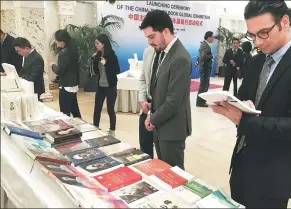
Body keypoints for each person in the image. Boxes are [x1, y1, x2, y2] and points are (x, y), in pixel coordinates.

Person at [209, 1, 291, 208]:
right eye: (252, 35)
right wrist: (231, 106)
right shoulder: (256, 62)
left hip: (273, 175)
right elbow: (245, 99)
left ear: (285, 22)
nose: (258, 42)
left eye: (263, 33)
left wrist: (243, 120)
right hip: (241, 164)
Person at [139, 10, 192, 170]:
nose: (149, 42)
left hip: (172, 130)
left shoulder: (180, 58)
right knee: (163, 171)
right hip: (160, 126)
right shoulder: (162, 53)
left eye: (151, 36)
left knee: (174, 175)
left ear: (166, 31)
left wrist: (152, 119)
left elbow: (173, 101)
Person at [92, 34, 120, 136]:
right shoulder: (98, 55)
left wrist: (106, 64)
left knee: (110, 109)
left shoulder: (112, 55)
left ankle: (112, 130)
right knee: (97, 108)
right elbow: (95, 72)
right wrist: (94, 61)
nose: (96, 45)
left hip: (110, 86)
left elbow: (117, 70)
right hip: (100, 85)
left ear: (103, 44)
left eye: (98, 43)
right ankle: (95, 127)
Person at [52, 29, 81, 118]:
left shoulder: (64, 53)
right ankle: (80, 128)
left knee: (64, 112)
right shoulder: (73, 48)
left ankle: (67, 130)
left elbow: (60, 71)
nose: (56, 42)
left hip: (66, 85)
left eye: (56, 40)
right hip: (73, 84)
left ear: (62, 41)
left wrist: (53, 66)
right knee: (74, 110)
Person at [138, 46, 155, 159]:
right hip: (146, 106)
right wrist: (142, 99)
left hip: (163, 108)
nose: (150, 41)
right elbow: (143, 77)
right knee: (144, 145)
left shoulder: (174, 55)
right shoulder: (148, 51)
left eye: (152, 36)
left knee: (166, 156)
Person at [196, 31, 214, 107]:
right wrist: (211, 56)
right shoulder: (205, 45)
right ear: (209, 37)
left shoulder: (204, 44)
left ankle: (202, 101)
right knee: (203, 85)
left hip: (205, 68)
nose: (213, 39)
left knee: (205, 85)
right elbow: (202, 58)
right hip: (205, 68)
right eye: (212, 37)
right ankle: (200, 102)